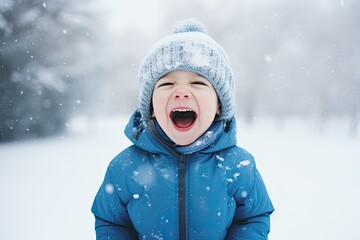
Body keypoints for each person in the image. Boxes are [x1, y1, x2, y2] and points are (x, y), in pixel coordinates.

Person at [91, 18, 274, 240]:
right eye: (167, 84)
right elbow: (111, 221)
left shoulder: (238, 166)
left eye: (198, 83)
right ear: (151, 107)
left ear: (219, 105)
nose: (181, 92)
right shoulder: (125, 167)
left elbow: (253, 217)